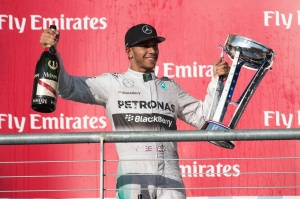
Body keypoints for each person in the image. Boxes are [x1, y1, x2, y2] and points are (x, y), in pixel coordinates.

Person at [39, 23, 230, 199]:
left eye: (154, 45)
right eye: (145, 46)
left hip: (171, 176)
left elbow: (204, 118)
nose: (152, 51)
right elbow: (68, 87)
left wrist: (217, 83)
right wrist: (53, 53)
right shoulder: (112, 84)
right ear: (129, 52)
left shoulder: (169, 87)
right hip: (133, 174)